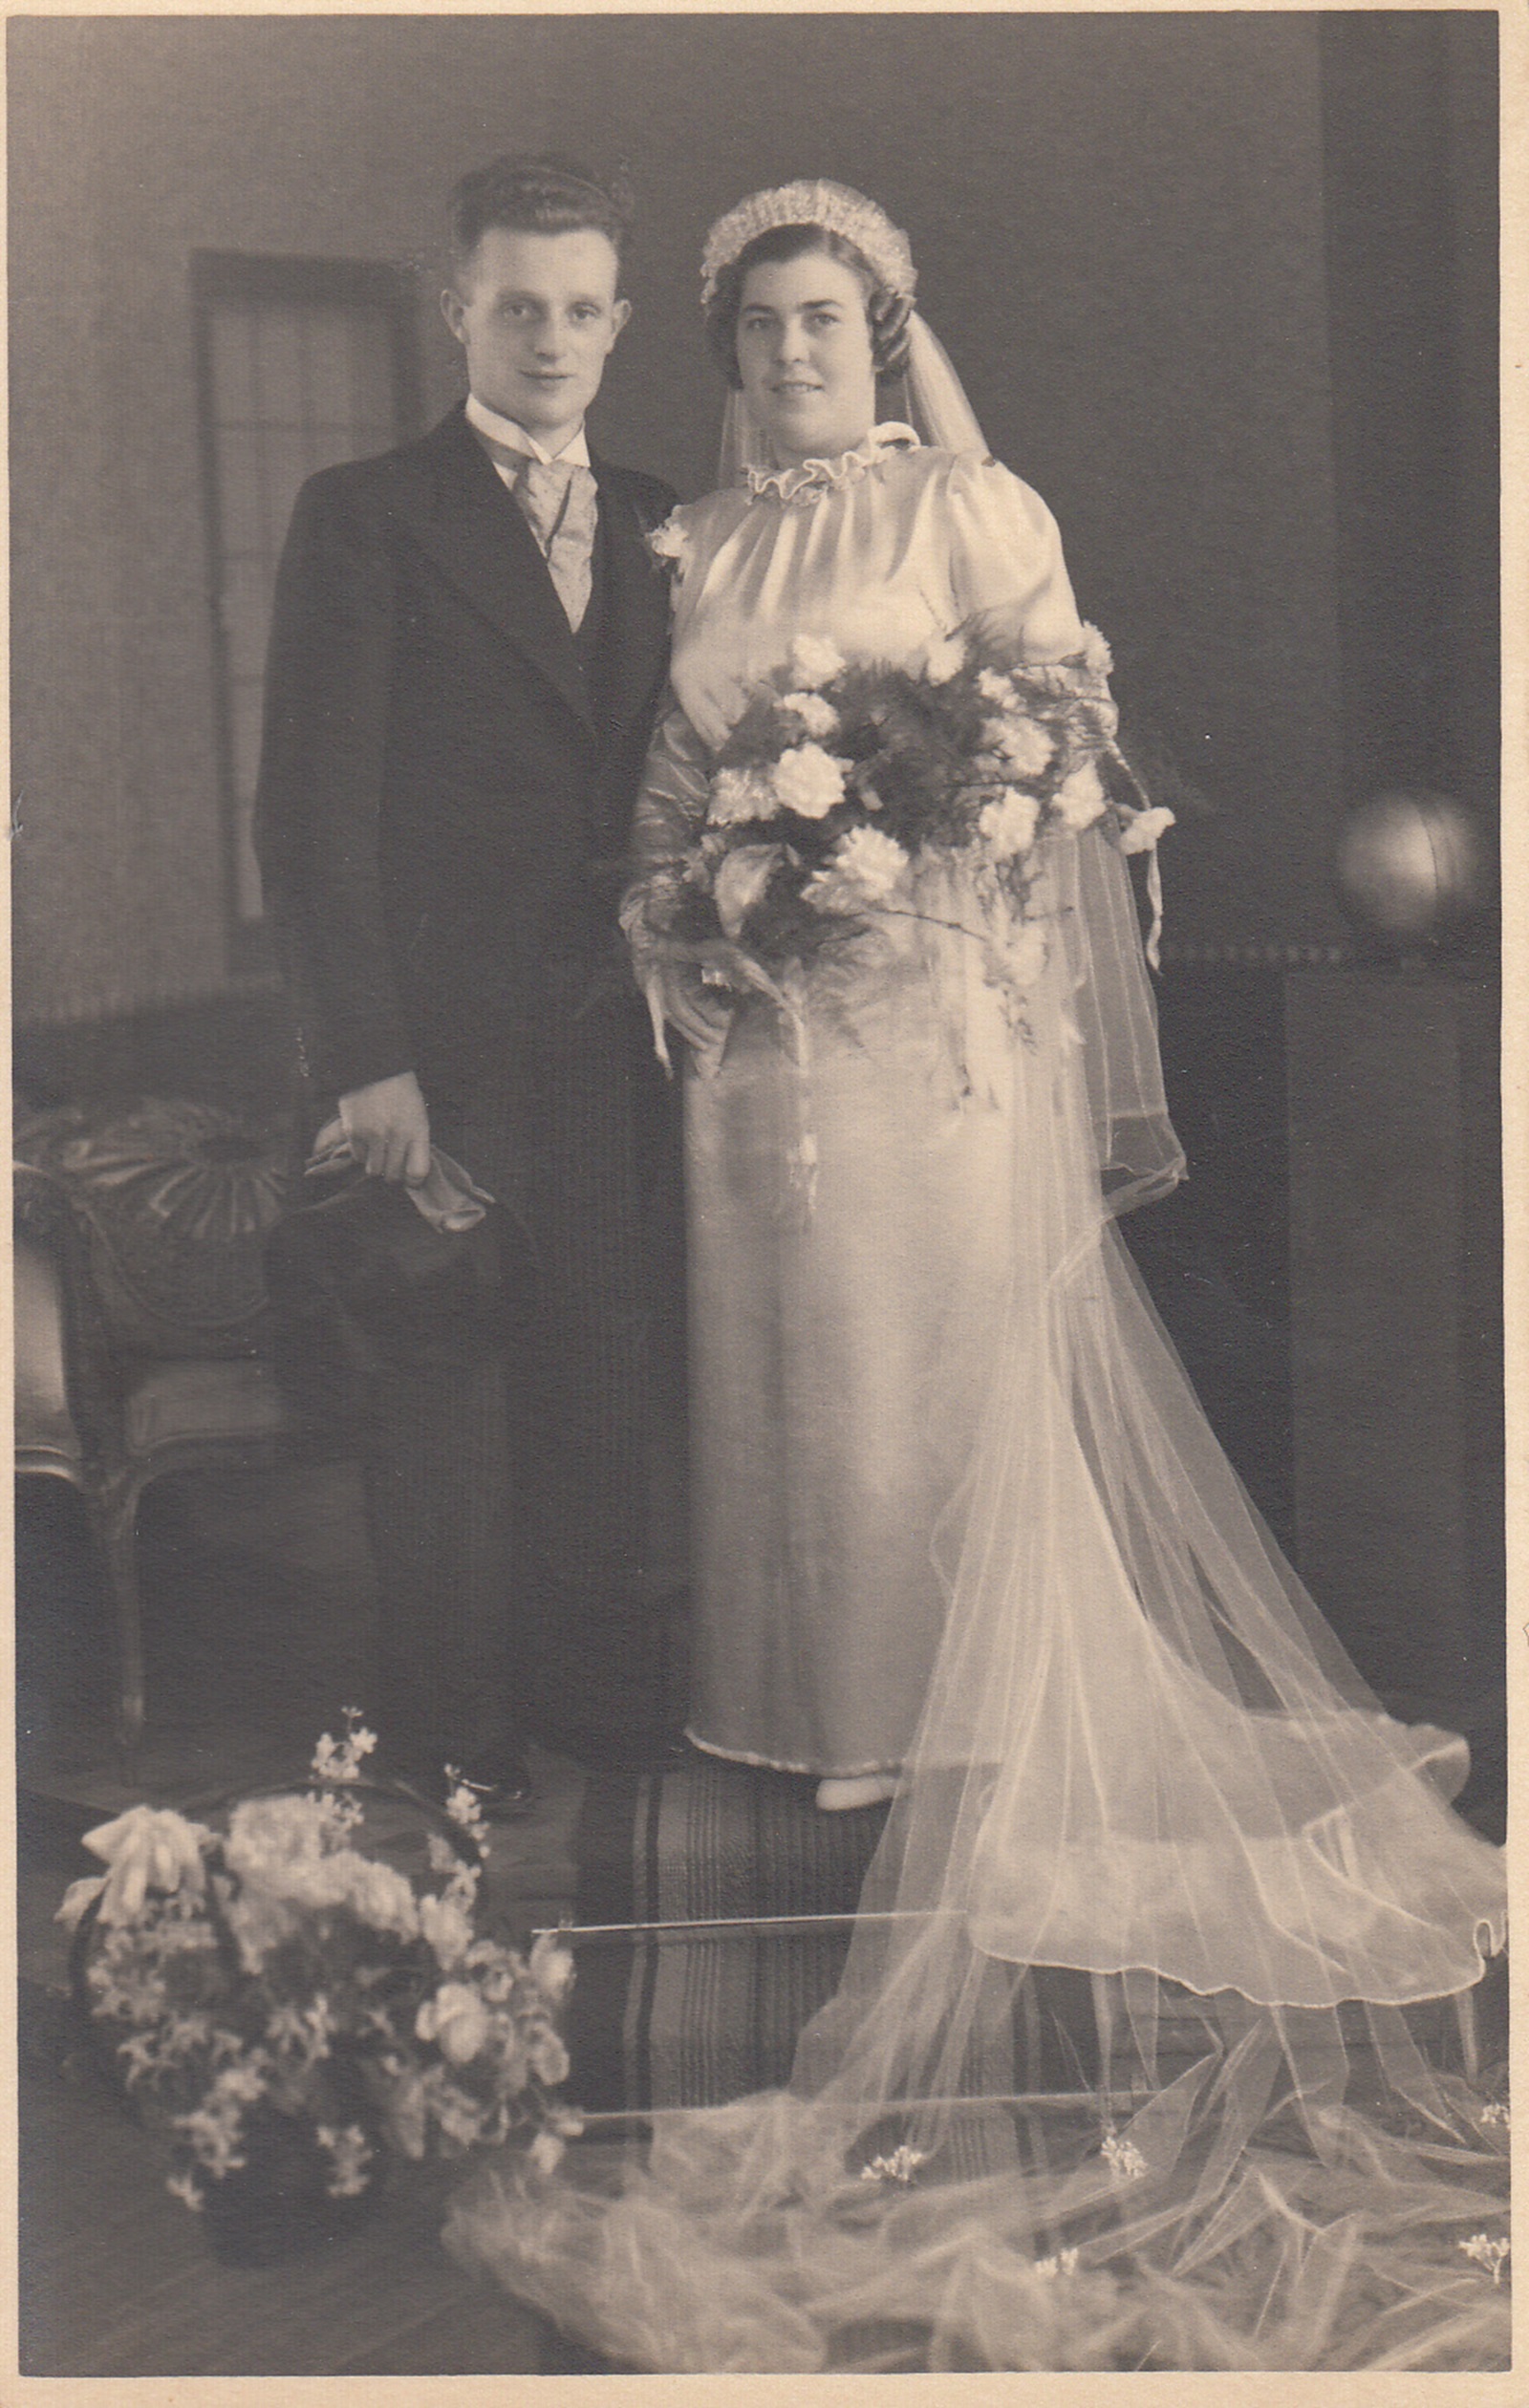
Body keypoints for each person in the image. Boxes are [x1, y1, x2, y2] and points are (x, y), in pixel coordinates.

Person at [443, 183, 1507, 2369]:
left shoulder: (969, 506)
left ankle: (946, 1708)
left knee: (920, 1362)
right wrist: (688, 903)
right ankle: (804, 1705)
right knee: (783, 1376)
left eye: (822, 324)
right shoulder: (696, 548)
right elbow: (669, 775)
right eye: (758, 331)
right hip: (755, 1045)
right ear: (725, 358)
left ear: (882, 332)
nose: (790, 357)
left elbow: (1058, 754)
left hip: (928, 1029)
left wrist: (915, 848)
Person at [254, 156, 683, 1804]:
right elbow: (309, 817)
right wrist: (367, 1059)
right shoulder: (367, 514)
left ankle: (596, 1720)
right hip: (436, 1051)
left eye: (580, 310)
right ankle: (453, 1750)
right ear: (459, 312)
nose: (550, 339)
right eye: (518, 307)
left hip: (619, 1041)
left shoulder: (659, 518)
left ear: (619, 324)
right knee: (444, 1404)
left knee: (600, 1385)